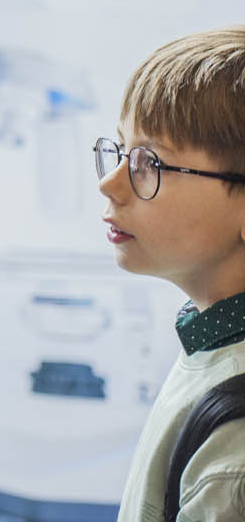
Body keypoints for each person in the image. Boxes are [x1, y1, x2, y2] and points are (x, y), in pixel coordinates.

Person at [97, 26, 245, 518]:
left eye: (150, 162)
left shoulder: (235, 446)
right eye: (121, 151)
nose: (109, 183)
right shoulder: (211, 342)